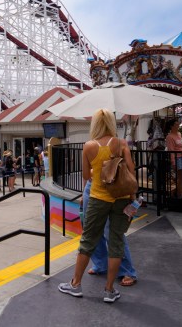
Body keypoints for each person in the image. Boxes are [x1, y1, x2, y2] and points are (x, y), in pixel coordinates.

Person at [58, 108, 135, 303]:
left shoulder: (89, 146)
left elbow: (86, 176)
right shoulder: (121, 143)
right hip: (121, 198)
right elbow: (131, 172)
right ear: (110, 122)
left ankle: (75, 284)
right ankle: (109, 290)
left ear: (95, 124)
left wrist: (99, 169)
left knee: (88, 240)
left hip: (98, 197)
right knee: (116, 241)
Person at [82, 178, 138, 287]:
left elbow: (129, 168)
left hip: (115, 187)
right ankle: (100, 264)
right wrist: (84, 190)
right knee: (92, 229)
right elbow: (85, 171)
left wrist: (132, 195)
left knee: (112, 232)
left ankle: (126, 270)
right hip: (93, 186)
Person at [165, 119, 182, 198]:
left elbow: (181, 145)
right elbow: (171, 150)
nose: (178, 124)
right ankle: (179, 195)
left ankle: (173, 192)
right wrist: (173, 162)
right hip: (177, 158)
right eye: (176, 124)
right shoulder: (169, 137)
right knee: (180, 177)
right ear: (172, 126)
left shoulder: (178, 134)